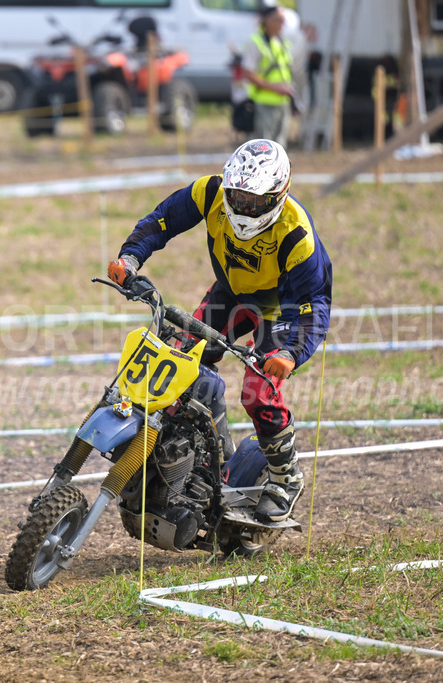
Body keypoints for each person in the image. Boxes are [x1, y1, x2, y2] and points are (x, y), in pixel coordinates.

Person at [107, 139, 332, 524]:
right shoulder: (209, 192)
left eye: (254, 200)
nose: (243, 207)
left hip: (281, 307)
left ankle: (285, 477)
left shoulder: (297, 235)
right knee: (179, 359)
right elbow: (164, 219)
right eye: (237, 195)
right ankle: (205, 455)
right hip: (229, 292)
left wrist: (291, 352)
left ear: (278, 195)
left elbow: (315, 304)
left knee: (258, 392)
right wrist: (131, 257)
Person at [243, 5, 296, 146]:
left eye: (284, 20)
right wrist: (274, 88)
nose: (282, 24)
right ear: (267, 20)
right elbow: (248, 73)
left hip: (283, 102)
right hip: (264, 102)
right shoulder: (256, 42)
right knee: (263, 146)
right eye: (279, 20)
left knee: (280, 146)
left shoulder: (282, 42)